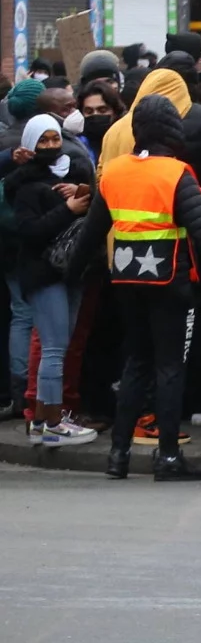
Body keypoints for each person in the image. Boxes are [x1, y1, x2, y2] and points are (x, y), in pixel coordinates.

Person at [68, 94, 201, 479]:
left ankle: (118, 456)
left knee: (136, 361)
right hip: (170, 281)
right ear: (172, 128)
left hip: (125, 279)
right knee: (170, 367)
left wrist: (70, 272)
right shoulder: (176, 173)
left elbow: (90, 234)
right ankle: (168, 457)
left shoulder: (115, 172)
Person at [9, 113, 96, 445]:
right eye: (43, 140)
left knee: (59, 346)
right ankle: (53, 424)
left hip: (71, 273)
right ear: (30, 144)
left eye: (55, 139)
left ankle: (44, 422)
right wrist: (69, 208)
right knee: (54, 349)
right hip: (44, 276)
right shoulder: (25, 184)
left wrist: (79, 197)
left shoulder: (71, 175)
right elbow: (29, 233)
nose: (50, 146)